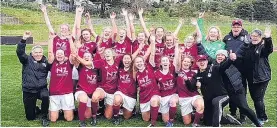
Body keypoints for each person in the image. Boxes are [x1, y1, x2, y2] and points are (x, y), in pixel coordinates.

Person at [188, 53, 238, 126]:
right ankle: (227, 119)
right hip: (208, 101)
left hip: (222, 96)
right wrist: (190, 82)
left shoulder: (214, 68)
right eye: (200, 61)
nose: (202, 62)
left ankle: (216, 126)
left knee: (216, 102)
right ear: (197, 63)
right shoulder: (197, 75)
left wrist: (230, 60)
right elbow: (192, 88)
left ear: (207, 61)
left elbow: (223, 67)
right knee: (207, 123)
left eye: (204, 60)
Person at [236, 28, 273, 124]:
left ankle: (262, 118)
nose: (254, 38)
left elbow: (269, 49)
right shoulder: (248, 46)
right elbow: (240, 56)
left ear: (261, 38)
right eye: (253, 36)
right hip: (251, 77)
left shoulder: (262, 47)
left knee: (258, 99)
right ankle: (260, 115)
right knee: (255, 98)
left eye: (257, 36)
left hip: (261, 78)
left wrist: (268, 38)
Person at [75, 48, 120, 126]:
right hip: (102, 88)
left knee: (108, 116)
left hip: (113, 91)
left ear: (113, 54)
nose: (107, 54)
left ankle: (112, 114)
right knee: (95, 96)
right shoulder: (101, 62)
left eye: (108, 52)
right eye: (105, 53)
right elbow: (86, 63)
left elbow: (129, 59)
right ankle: (94, 117)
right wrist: (77, 56)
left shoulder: (118, 62)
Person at [16, 31, 50, 126]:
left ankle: (44, 116)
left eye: (40, 52)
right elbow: (20, 52)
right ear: (32, 53)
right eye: (36, 52)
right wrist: (24, 39)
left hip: (41, 89)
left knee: (46, 96)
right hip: (29, 90)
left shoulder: (46, 62)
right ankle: (35, 109)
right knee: (30, 118)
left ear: (42, 53)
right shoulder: (26, 60)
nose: (38, 54)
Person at [223, 19, 249, 122]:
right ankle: (232, 112)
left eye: (238, 26)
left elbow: (247, 50)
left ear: (241, 27)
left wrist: (236, 55)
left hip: (241, 69)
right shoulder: (227, 38)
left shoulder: (247, 37)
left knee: (241, 92)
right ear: (232, 27)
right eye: (234, 26)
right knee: (230, 91)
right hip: (229, 69)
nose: (236, 28)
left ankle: (243, 114)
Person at [47, 34, 75, 123]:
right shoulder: (52, 63)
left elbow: (73, 53)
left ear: (64, 55)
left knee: (69, 119)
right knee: (53, 119)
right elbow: (50, 52)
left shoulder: (69, 63)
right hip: (54, 93)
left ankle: (65, 109)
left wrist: (70, 40)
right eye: (58, 54)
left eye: (61, 54)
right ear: (56, 55)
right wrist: (51, 39)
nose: (59, 55)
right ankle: (54, 110)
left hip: (67, 93)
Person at [133, 36, 160, 127]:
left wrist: (152, 42)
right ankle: (154, 110)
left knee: (154, 100)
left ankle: (153, 123)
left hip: (154, 93)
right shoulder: (135, 73)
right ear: (135, 64)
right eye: (137, 62)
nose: (139, 63)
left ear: (144, 62)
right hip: (144, 96)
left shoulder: (149, 66)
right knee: (145, 119)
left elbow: (151, 54)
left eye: (140, 61)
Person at [176, 55, 204, 127]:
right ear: (182, 62)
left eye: (188, 62)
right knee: (186, 122)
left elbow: (192, 88)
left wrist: (188, 80)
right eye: (185, 61)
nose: (186, 63)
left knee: (200, 105)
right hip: (183, 98)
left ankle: (195, 123)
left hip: (193, 95)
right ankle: (196, 114)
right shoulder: (177, 72)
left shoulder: (194, 73)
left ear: (191, 64)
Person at [73, 52, 99, 127]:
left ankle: (94, 117)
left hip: (92, 92)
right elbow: (75, 60)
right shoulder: (80, 66)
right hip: (82, 91)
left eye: (88, 56)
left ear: (92, 58)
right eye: (84, 56)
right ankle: (82, 122)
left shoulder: (96, 68)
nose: (86, 57)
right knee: (84, 98)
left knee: (88, 115)